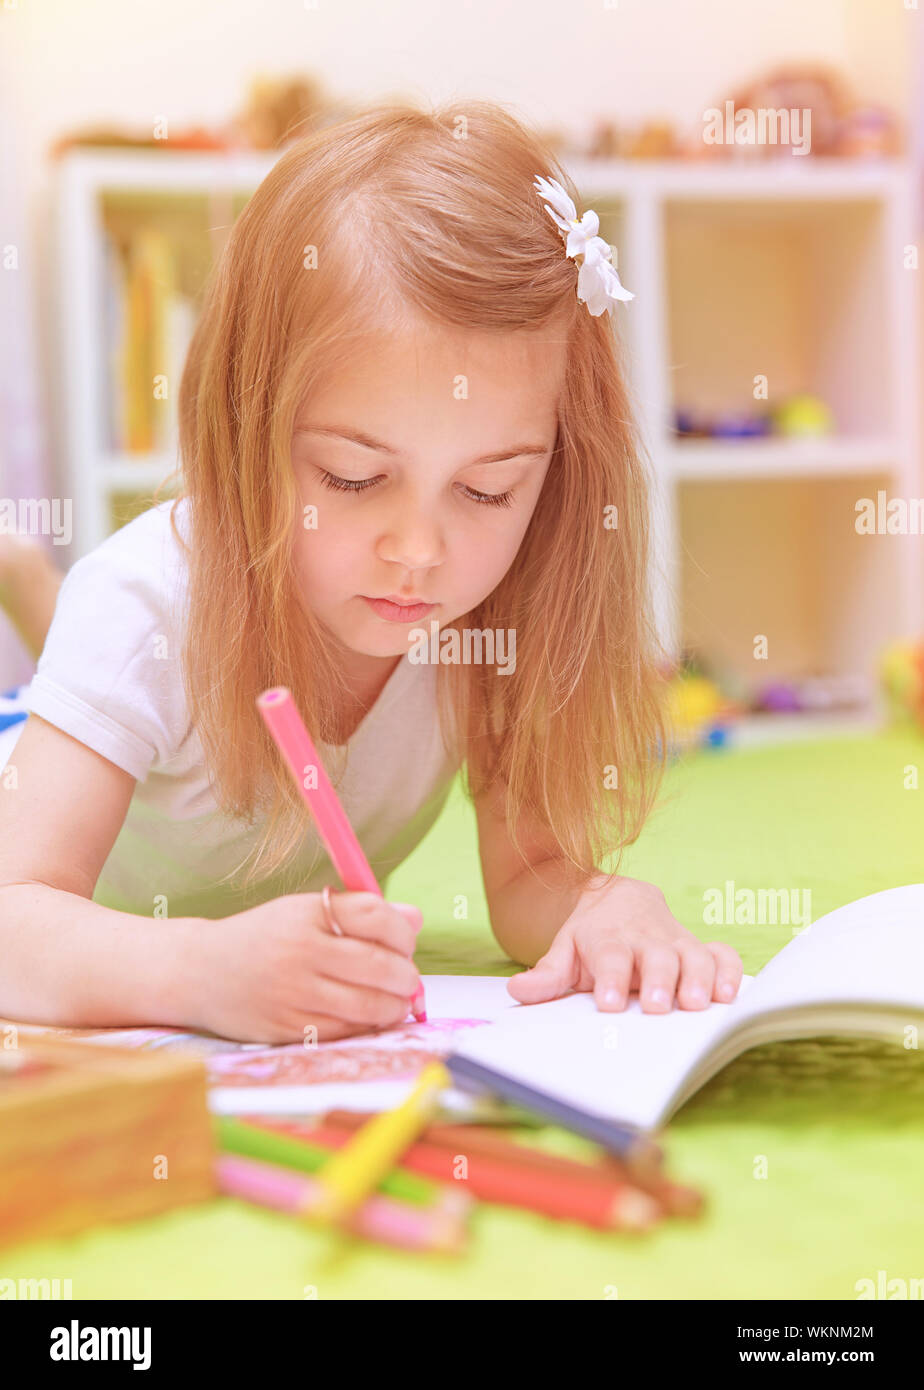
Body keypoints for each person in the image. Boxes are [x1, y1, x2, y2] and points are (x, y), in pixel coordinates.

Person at [0, 100, 742, 1043]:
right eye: (354, 478)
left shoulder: (490, 619)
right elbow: (14, 916)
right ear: (242, 431)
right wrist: (192, 969)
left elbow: (526, 879)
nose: (420, 552)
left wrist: (600, 904)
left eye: (487, 490)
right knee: (94, 654)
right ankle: (31, 589)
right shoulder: (146, 602)